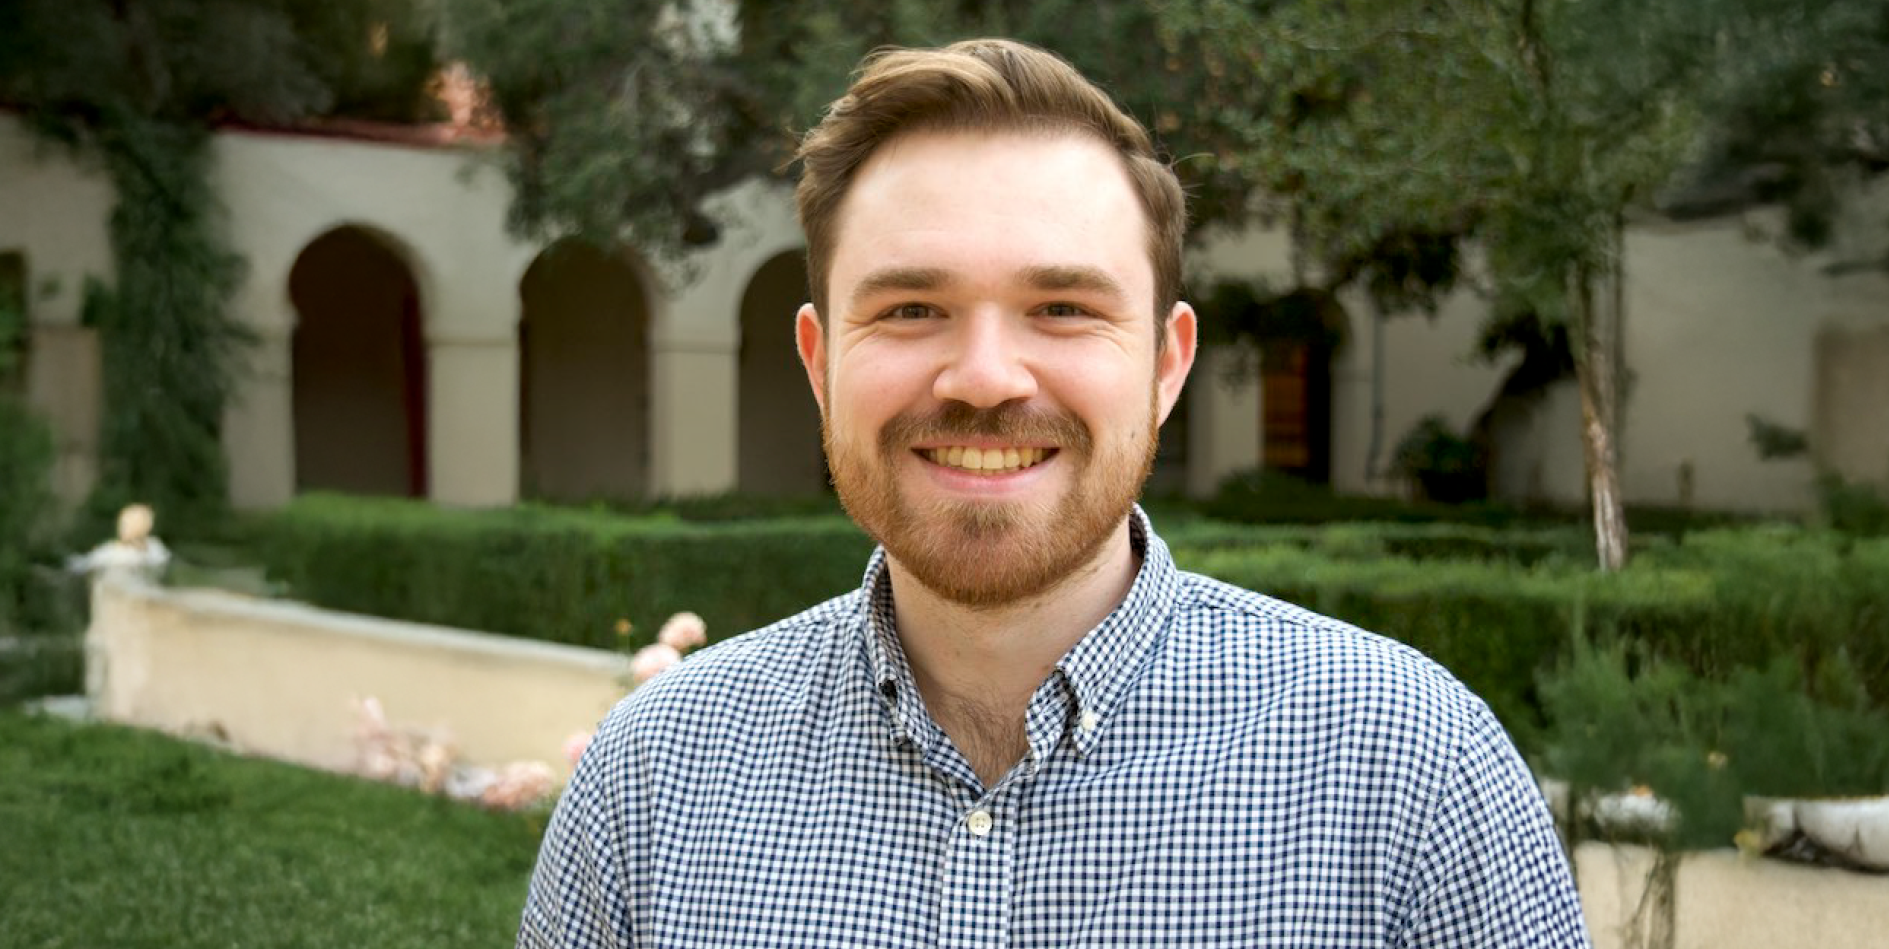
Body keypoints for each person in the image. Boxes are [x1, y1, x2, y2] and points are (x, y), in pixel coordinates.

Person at [519, 38, 1589, 948]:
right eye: (908, 310)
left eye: (1065, 307)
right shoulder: (650, 782)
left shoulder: (1410, 771)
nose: (985, 376)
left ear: (1167, 366)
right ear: (820, 366)